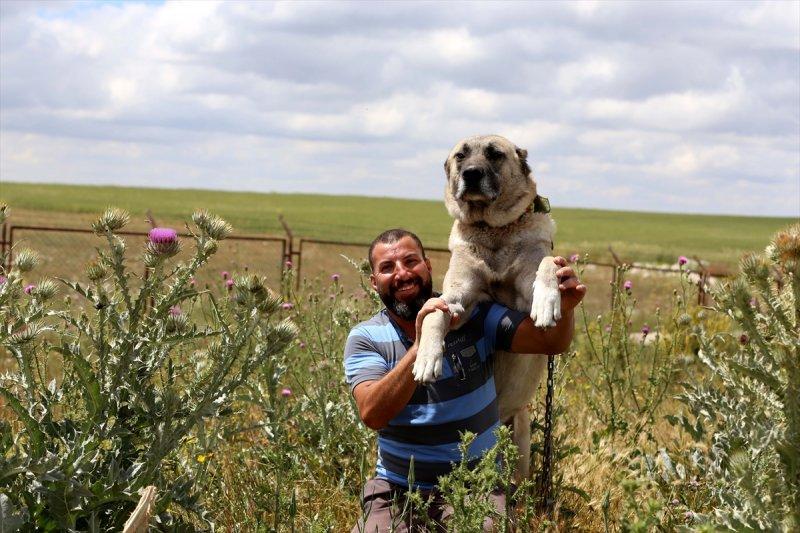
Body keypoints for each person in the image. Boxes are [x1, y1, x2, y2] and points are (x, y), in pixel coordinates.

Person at [344, 229, 586, 532]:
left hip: (477, 484)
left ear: (428, 266)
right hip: (398, 488)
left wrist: (565, 308)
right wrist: (423, 344)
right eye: (387, 267)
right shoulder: (366, 337)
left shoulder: (473, 315)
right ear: (373, 281)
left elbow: (549, 342)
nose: (402, 274)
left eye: (411, 261)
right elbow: (372, 413)